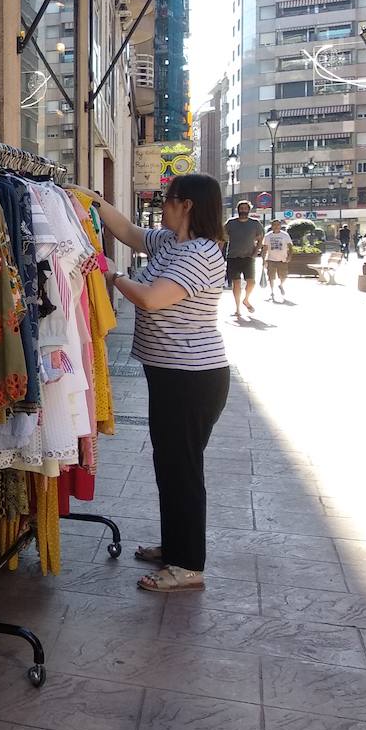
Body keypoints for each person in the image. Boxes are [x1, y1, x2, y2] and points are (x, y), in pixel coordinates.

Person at [73, 174, 230, 593]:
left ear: (188, 204)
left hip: (192, 378)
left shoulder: (201, 252)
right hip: (171, 374)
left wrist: (108, 271)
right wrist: (92, 200)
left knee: (183, 469)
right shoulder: (171, 242)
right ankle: (175, 546)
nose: (163, 204)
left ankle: (188, 565)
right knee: (170, 464)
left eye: (169, 199)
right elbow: (129, 231)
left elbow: (152, 299)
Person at [223, 200, 264, 321]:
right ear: (238, 209)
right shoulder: (231, 223)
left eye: (246, 208)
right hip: (233, 257)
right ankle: (237, 309)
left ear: (249, 210)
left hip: (248, 257)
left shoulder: (255, 223)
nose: (243, 210)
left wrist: (256, 251)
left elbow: (260, 239)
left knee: (251, 282)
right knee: (236, 284)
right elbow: (222, 238)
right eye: (241, 208)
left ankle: (246, 299)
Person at [262, 218, 293, 303]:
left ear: (280, 226)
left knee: (283, 276)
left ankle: (281, 285)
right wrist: (263, 259)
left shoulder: (285, 235)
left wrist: (289, 256)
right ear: (271, 226)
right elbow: (265, 248)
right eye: (274, 225)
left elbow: (290, 247)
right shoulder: (268, 236)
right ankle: (272, 292)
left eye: (278, 225)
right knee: (271, 277)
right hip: (271, 259)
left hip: (282, 259)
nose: (276, 226)